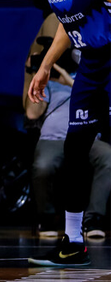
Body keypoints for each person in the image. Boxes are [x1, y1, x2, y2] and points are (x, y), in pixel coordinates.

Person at [25, 0, 111, 266]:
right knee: (75, 150)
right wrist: (45, 67)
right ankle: (73, 242)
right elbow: (67, 22)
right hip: (92, 65)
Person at [24, 15, 111, 240]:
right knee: (42, 166)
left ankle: (94, 219)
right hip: (53, 139)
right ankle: (46, 218)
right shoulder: (49, 81)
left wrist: (67, 79)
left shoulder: (91, 78)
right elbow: (32, 113)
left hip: (87, 137)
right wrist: (38, 73)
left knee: (108, 158)